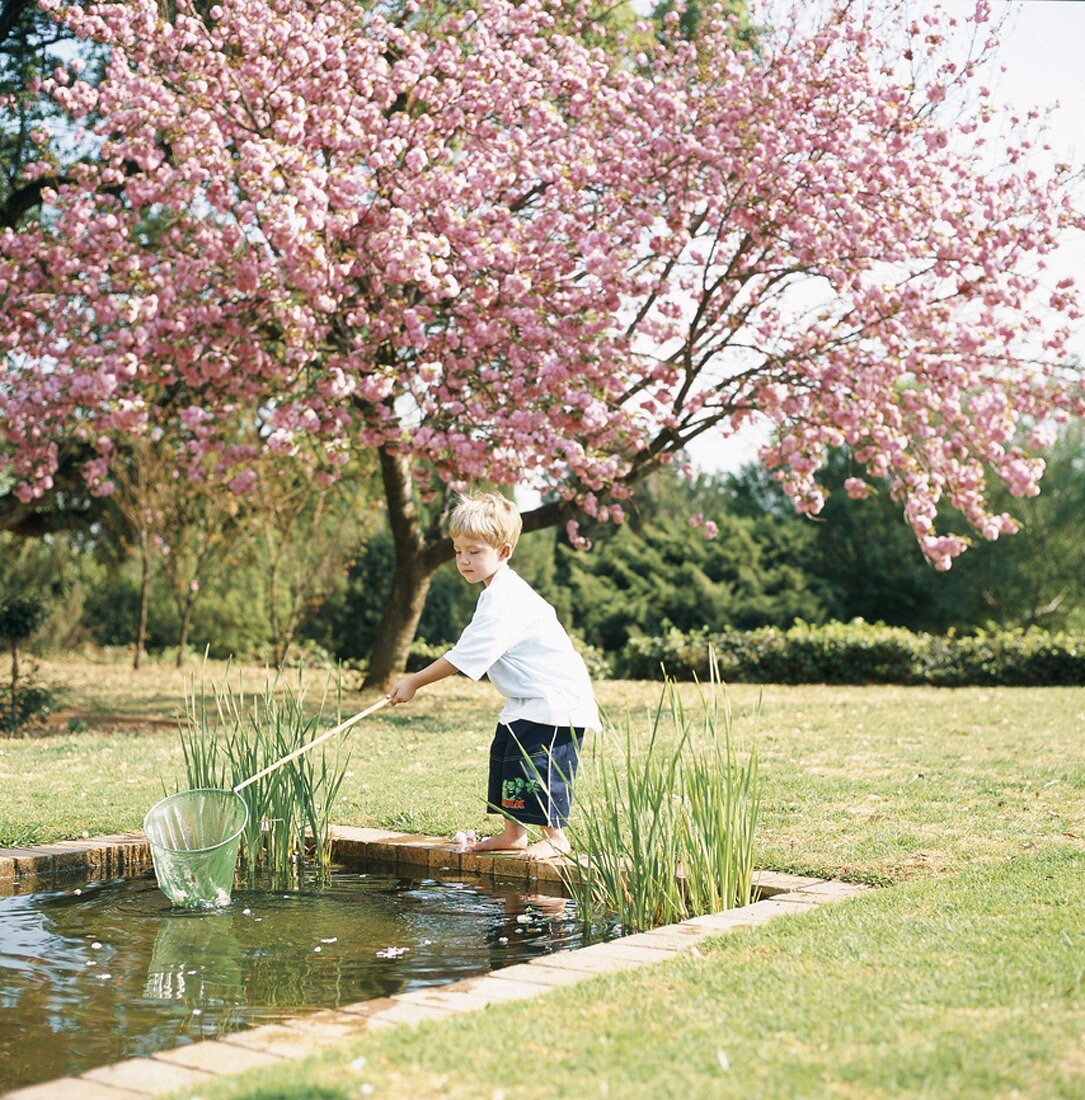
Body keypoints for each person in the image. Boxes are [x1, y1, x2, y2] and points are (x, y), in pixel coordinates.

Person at [386, 491, 600, 860]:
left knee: (539, 767)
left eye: (475, 551)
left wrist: (414, 681)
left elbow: (462, 657)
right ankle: (513, 834)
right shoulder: (493, 593)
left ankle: (555, 837)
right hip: (525, 701)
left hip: (554, 703)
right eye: (458, 551)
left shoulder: (506, 600)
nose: (464, 560)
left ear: (503, 552)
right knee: (507, 760)